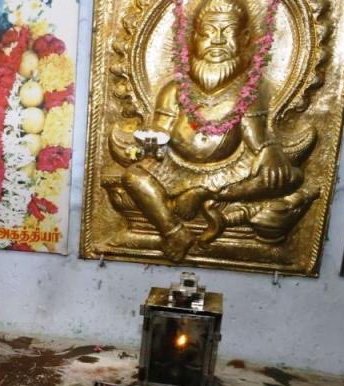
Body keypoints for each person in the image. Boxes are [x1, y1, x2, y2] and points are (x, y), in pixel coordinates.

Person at [120, 0, 308, 261]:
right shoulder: (174, 90)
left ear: (244, 38)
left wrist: (270, 153)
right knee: (131, 177)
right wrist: (146, 146)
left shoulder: (250, 89)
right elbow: (158, 132)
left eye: (226, 32)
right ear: (192, 39)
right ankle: (173, 230)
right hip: (176, 168)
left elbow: (258, 139)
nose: (217, 41)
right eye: (208, 33)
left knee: (291, 178)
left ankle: (204, 196)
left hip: (227, 172)